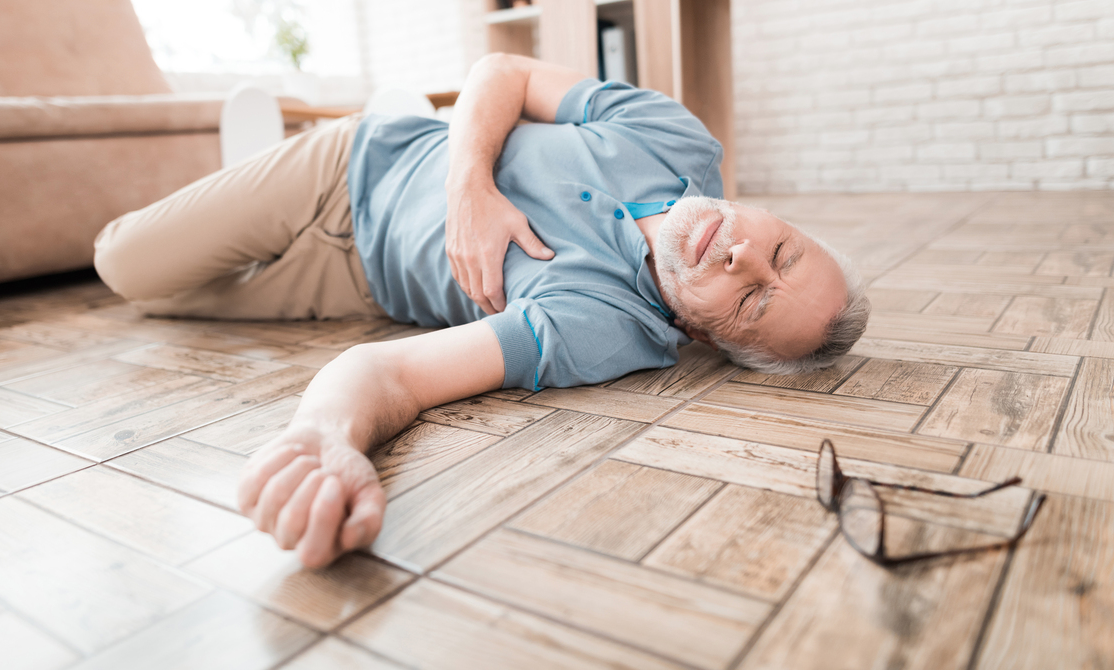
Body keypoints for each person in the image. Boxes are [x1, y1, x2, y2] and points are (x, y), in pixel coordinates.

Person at [93, 53, 870, 568]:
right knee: (120, 262)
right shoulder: (676, 140)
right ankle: (235, 191)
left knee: (157, 304)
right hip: (353, 162)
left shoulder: (604, 327)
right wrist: (470, 187)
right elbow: (502, 71)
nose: (745, 258)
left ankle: (220, 225)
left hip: (350, 282)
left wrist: (325, 435)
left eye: (755, 300)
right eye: (786, 251)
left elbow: (395, 374)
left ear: (704, 334)